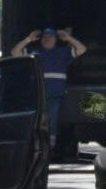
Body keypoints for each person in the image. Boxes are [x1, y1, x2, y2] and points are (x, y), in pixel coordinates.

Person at [10, 26, 86, 159]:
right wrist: (28, 39)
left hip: (55, 95)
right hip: (37, 95)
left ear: (56, 39)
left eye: (50, 37)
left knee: (52, 122)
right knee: (36, 122)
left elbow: (82, 49)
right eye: (45, 37)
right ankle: (37, 149)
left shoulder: (63, 52)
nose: (47, 39)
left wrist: (68, 38)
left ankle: (49, 149)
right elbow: (14, 52)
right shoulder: (34, 52)